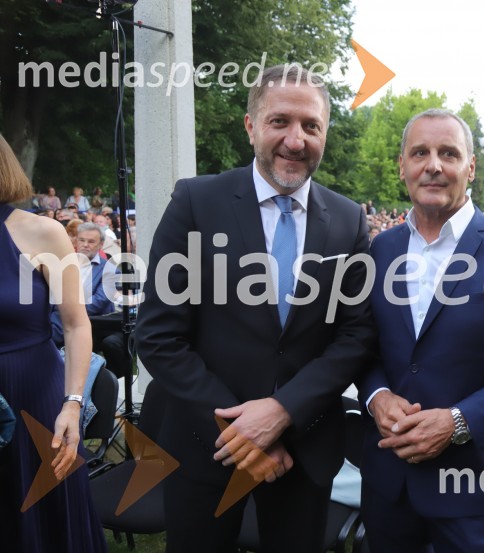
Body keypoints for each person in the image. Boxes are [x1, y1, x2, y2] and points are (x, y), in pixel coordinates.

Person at [134, 64, 375, 553]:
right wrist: (239, 434)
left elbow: (357, 335)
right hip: (206, 447)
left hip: (303, 449)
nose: (296, 139)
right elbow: (158, 336)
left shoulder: (348, 220)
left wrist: (284, 411)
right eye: (280, 121)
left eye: (311, 126)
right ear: (250, 126)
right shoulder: (196, 202)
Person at [358, 109, 484, 553]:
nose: (433, 165)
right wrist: (377, 397)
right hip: (388, 481)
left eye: (448, 153)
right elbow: (367, 351)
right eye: (420, 153)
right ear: (402, 166)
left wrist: (456, 422)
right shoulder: (382, 249)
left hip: (469, 487)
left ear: (470, 166)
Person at [0, 134, 107, 551]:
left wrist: (73, 403)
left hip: (35, 397)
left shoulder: (43, 233)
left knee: (43, 520)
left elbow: (77, 325)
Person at [50, 223, 116, 347]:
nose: (85, 245)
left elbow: (99, 302)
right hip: (57, 315)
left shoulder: (110, 269)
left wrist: (68, 310)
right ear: (76, 241)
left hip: (91, 320)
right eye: (81, 240)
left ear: (101, 245)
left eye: (91, 241)